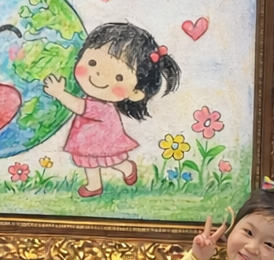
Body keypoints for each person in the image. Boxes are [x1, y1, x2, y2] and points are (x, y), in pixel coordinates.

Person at [42, 22, 180, 198]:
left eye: (119, 77)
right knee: (92, 161)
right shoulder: (96, 99)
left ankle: (125, 169)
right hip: (89, 139)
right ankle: (96, 184)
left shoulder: (101, 107)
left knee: (106, 160)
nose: (98, 75)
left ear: (136, 93)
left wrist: (59, 93)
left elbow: (78, 106)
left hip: (101, 140)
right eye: (92, 62)